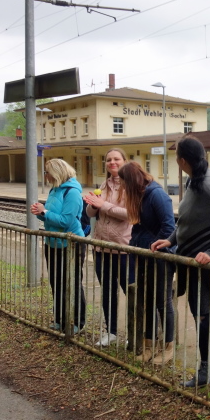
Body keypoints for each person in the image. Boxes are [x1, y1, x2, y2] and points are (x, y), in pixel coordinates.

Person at [151, 137, 210, 394]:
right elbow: (189, 220)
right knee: (202, 317)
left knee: (206, 319)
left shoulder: (209, 185)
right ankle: (206, 372)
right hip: (195, 264)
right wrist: (171, 239)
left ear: (182, 161)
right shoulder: (194, 180)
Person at [118, 161, 176, 364]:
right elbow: (138, 228)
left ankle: (168, 346)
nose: (122, 186)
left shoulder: (157, 195)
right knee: (148, 300)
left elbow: (169, 227)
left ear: (131, 180)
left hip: (160, 257)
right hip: (143, 255)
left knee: (163, 301)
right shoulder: (140, 196)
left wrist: (154, 247)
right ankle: (149, 345)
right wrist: (135, 247)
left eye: (123, 182)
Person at [83, 148, 134, 347]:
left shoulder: (131, 185)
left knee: (130, 292)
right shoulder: (104, 184)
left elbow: (130, 214)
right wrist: (93, 205)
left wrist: (102, 205)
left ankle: (134, 333)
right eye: (109, 160)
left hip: (123, 248)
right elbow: (91, 214)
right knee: (107, 291)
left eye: (116, 159)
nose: (112, 162)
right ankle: (111, 331)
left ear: (124, 161)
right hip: (101, 247)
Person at [30, 159, 87, 334]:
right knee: (56, 282)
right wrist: (40, 213)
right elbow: (51, 216)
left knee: (72, 282)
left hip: (71, 244)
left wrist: (45, 211)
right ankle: (60, 318)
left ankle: (77, 321)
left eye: (47, 172)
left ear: (56, 173)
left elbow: (65, 221)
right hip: (53, 242)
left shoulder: (72, 192)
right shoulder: (54, 189)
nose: (45, 176)